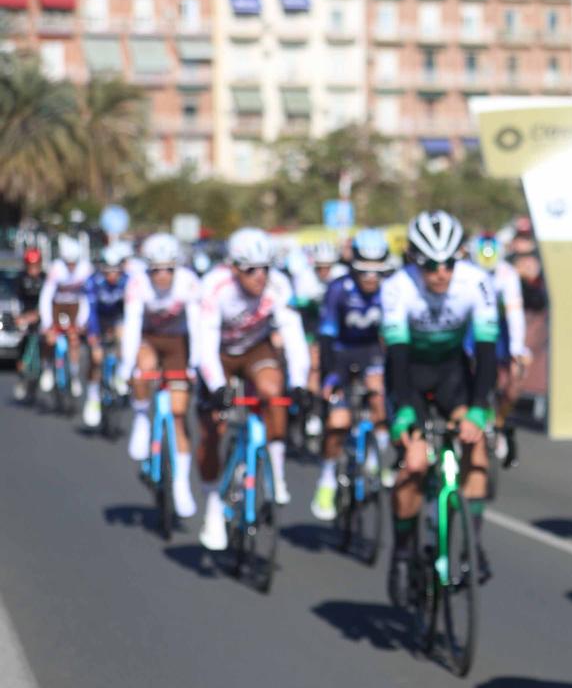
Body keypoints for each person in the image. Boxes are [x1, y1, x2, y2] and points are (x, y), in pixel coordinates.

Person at [384, 211, 499, 589]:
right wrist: (403, 411)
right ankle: (402, 550)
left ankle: (473, 545)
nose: (441, 273)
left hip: (452, 372)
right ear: (415, 262)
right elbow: (397, 357)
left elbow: (485, 352)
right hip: (409, 375)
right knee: (415, 462)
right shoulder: (397, 287)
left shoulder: (477, 282)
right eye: (431, 265)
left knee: (475, 445)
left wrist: (480, 408)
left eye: (449, 262)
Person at [191, 228, 311, 550]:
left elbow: (295, 336)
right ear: (233, 268)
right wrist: (217, 387)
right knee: (212, 428)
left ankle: (276, 473)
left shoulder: (278, 286)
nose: (259, 277)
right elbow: (204, 344)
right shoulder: (215, 287)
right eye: (250, 270)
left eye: (265, 269)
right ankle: (213, 506)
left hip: (255, 348)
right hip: (219, 354)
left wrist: (300, 381)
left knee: (274, 392)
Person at [311, 228, 393, 521]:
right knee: (338, 420)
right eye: (364, 270)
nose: (371, 277)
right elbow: (326, 338)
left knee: (380, 398)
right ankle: (327, 479)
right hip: (341, 355)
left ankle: (374, 458)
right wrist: (330, 378)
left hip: (371, 351)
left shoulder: (391, 289)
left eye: (377, 270)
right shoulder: (338, 289)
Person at [120, 233, 202, 518]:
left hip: (179, 343)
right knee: (142, 369)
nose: (163, 275)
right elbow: (131, 327)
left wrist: (194, 364)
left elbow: (198, 326)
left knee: (179, 414)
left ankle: (180, 483)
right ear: (148, 269)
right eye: (156, 269)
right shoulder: (137, 283)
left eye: (169, 269)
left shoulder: (189, 282)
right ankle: (142, 417)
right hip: (150, 339)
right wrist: (126, 367)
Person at [469, 233, 530, 468]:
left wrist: (516, 350)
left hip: (499, 329)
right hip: (471, 330)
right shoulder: (466, 273)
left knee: (514, 381)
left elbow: (515, 312)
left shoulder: (507, 273)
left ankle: (501, 422)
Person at [80, 241, 132, 428]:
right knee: (96, 357)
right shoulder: (92, 282)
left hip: (118, 318)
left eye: (115, 270)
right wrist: (93, 335)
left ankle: (120, 375)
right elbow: (90, 311)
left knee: (124, 337)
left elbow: (132, 311)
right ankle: (93, 397)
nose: (112, 275)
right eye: (107, 270)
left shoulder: (129, 280)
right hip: (98, 320)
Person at [37, 233, 92, 400]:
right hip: (57, 307)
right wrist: (47, 322)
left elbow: (88, 298)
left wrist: (82, 321)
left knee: (74, 339)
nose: (71, 266)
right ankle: (47, 369)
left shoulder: (85, 269)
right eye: (68, 263)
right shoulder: (56, 269)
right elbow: (46, 296)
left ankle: (74, 375)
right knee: (50, 338)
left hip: (76, 307)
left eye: (74, 263)